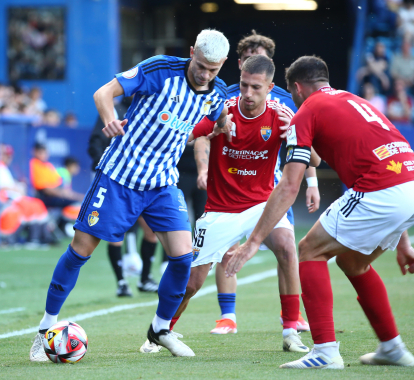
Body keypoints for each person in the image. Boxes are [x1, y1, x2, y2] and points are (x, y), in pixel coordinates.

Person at [29, 28, 231, 361]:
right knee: (80, 251)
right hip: (119, 177)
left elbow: (215, 118)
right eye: (201, 65)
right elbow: (103, 93)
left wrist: (225, 124)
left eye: (213, 68)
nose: (205, 73)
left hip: (162, 183)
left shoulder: (217, 92)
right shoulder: (159, 70)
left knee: (182, 258)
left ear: (222, 64)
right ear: (192, 51)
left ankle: (160, 329)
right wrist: (110, 120)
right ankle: (45, 329)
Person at [225, 55, 414, 369]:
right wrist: (404, 240)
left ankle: (325, 351)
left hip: (381, 189)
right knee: (353, 262)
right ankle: (392, 348)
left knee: (309, 250)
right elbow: (390, 159)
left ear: (297, 89)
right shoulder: (355, 100)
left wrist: (253, 241)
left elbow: (288, 185)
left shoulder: (307, 111)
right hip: (408, 184)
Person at [140, 54, 320, 355]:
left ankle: (291, 331)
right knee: (192, 282)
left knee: (289, 247)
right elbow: (188, 136)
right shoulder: (223, 111)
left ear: (270, 87)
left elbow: (314, 159)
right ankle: (161, 329)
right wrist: (208, 133)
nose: (247, 94)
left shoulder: (282, 114)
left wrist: (297, 132)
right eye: (243, 85)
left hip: (263, 204)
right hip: (221, 209)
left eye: (255, 88)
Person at [194, 31, 319, 336]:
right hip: (229, 191)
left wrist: (312, 182)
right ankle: (227, 316)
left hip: (273, 190)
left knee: (287, 248)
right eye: (248, 56)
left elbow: (307, 151)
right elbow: (200, 133)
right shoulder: (222, 98)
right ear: (238, 64)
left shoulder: (285, 104)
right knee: (227, 250)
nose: (250, 92)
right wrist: (202, 168)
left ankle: (291, 319)